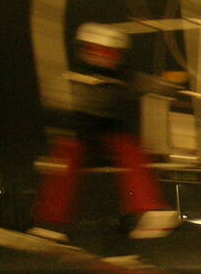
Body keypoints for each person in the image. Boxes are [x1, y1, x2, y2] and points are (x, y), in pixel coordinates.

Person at [29, 23, 180, 243]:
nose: (102, 57)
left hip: (112, 138)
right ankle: (50, 221)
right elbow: (55, 107)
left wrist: (170, 85)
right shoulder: (73, 79)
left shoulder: (124, 78)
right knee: (65, 156)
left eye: (108, 53)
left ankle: (148, 211)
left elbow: (151, 85)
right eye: (95, 51)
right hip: (81, 138)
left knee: (131, 150)